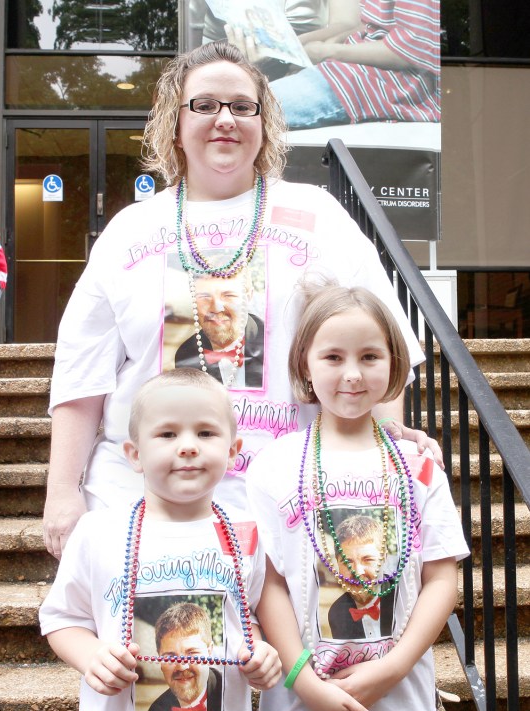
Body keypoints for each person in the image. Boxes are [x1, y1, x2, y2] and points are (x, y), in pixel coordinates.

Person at [43, 39, 435, 560]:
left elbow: (380, 343)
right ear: (174, 123)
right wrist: (62, 492)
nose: (224, 118)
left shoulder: (318, 215)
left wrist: (378, 454)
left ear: (263, 123)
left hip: (284, 505)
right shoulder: (128, 231)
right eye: (204, 105)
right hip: (137, 508)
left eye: (242, 106)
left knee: (283, 645)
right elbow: (82, 374)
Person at [245, 280, 469, 711]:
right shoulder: (272, 466)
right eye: (333, 356)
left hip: (399, 706)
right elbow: (269, 583)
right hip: (298, 710)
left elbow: (441, 580)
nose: (352, 373)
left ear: (393, 365)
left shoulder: (418, 466)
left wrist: (391, 669)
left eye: (370, 356)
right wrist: (304, 682)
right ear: (305, 364)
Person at [39, 369, 282, 711]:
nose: (187, 445)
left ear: (233, 451)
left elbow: (245, 620)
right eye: (167, 434)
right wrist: (93, 656)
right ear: (133, 454)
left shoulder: (246, 535)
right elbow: (61, 618)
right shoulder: (97, 532)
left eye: (205, 432)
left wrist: (260, 653)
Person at [229, 0, 440, 130]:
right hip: (341, 71)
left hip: (381, 82)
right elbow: (361, 24)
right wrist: (297, 45)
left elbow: (411, 48)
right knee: (228, 108)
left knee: (238, 112)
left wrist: (330, 51)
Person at [146, 602, 223, 711]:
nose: (182, 666)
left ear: (209, 652)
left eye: (192, 653)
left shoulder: (229, 694)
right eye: (170, 656)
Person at [174, 270, 265, 387]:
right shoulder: (185, 354)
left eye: (228, 296)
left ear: (248, 297)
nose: (216, 308)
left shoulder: (274, 344)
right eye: (204, 297)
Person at [327, 514, 394, 639]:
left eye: (367, 559)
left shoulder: (401, 597)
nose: (357, 572)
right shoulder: (336, 613)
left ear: (384, 558)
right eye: (347, 562)